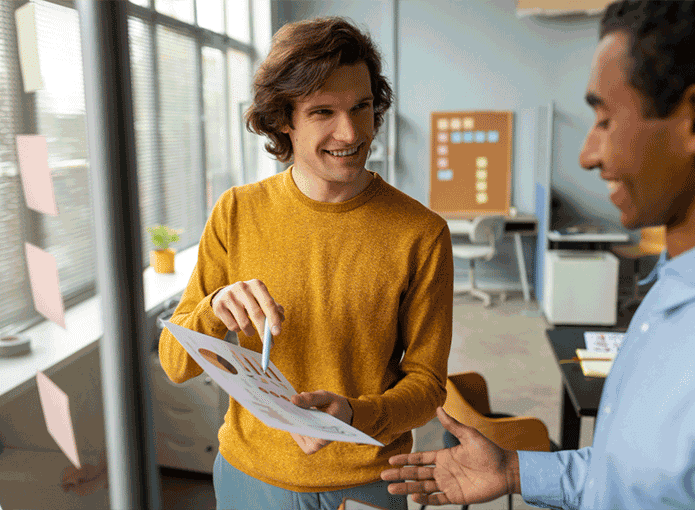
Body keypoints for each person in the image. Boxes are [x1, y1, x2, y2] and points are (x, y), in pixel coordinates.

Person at [381, 1, 695, 508]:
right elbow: (625, 479)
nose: (587, 154)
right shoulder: (665, 297)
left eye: (606, 119)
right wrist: (512, 468)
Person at [158, 16, 454, 510]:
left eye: (362, 107)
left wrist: (354, 415)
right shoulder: (236, 212)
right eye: (323, 112)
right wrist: (215, 309)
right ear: (283, 121)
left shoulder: (420, 233)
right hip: (249, 477)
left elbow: (428, 386)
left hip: (367, 481)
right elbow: (175, 362)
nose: (352, 131)